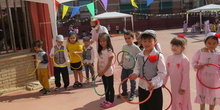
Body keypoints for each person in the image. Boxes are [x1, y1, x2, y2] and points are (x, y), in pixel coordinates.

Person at [129, 30, 167, 110]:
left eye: (149, 41)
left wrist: (154, 82)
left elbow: (162, 72)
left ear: (155, 41)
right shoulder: (139, 55)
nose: (147, 43)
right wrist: (135, 73)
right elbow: (137, 68)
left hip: (154, 88)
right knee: (143, 107)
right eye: (144, 41)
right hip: (142, 87)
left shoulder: (159, 56)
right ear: (141, 41)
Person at [192, 32, 220, 110]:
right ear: (205, 43)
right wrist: (196, 66)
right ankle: (202, 108)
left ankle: (211, 108)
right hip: (202, 77)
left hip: (214, 78)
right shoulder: (200, 51)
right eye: (209, 43)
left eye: (214, 43)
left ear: (218, 43)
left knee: (213, 94)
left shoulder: (218, 53)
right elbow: (194, 61)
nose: (211, 45)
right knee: (202, 93)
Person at [163, 34, 192, 110]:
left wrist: (183, 87)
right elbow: (166, 71)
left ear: (182, 47)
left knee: (183, 100)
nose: (174, 47)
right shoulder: (169, 57)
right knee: (175, 99)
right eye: (173, 45)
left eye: (177, 46)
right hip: (174, 84)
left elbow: (186, 75)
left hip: (182, 84)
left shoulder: (184, 59)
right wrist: (163, 82)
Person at [117, 30, 141, 101]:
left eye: (128, 38)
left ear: (133, 38)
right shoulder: (124, 46)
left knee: (132, 81)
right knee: (123, 80)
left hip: (132, 68)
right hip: (125, 67)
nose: (127, 40)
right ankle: (125, 93)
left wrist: (137, 65)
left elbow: (140, 56)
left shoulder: (136, 48)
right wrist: (121, 61)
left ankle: (132, 93)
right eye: (125, 38)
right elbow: (123, 54)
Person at [97, 33, 115, 109]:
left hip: (108, 72)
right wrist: (98, 70)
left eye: (104, 41)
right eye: (100, 41)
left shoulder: (109, 51)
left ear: (108, 41)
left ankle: (111, 101)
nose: (102, 43)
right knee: (106, 86)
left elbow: (108, 64)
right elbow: (98, 61)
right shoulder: (100, 50)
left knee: (110, 87)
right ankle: (107, 100)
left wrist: (102, 72)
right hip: (102, 72)